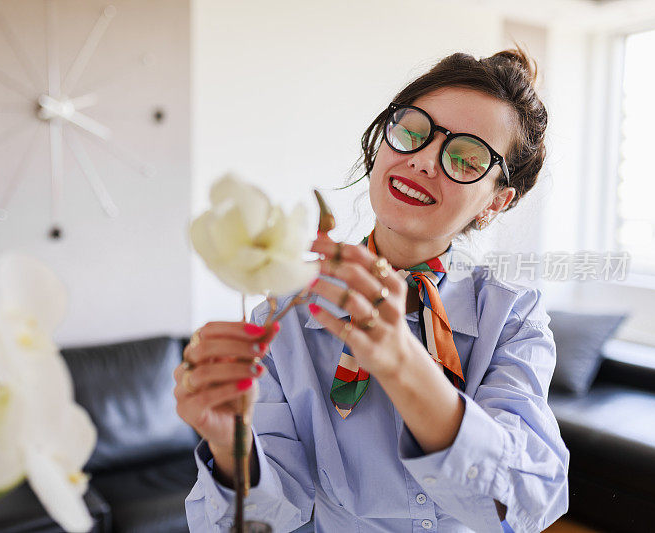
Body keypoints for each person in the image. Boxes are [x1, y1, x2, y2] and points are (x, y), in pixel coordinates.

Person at [175, 48, 570, 532]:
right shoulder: (283, 317)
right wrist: (229, 448)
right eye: (411, 131)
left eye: (465, 159)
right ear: (381, 142)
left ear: (495, 201)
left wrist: (402, 363)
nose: (424, 161)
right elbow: (268, 520)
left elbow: (526, 502)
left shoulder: (512, 316)